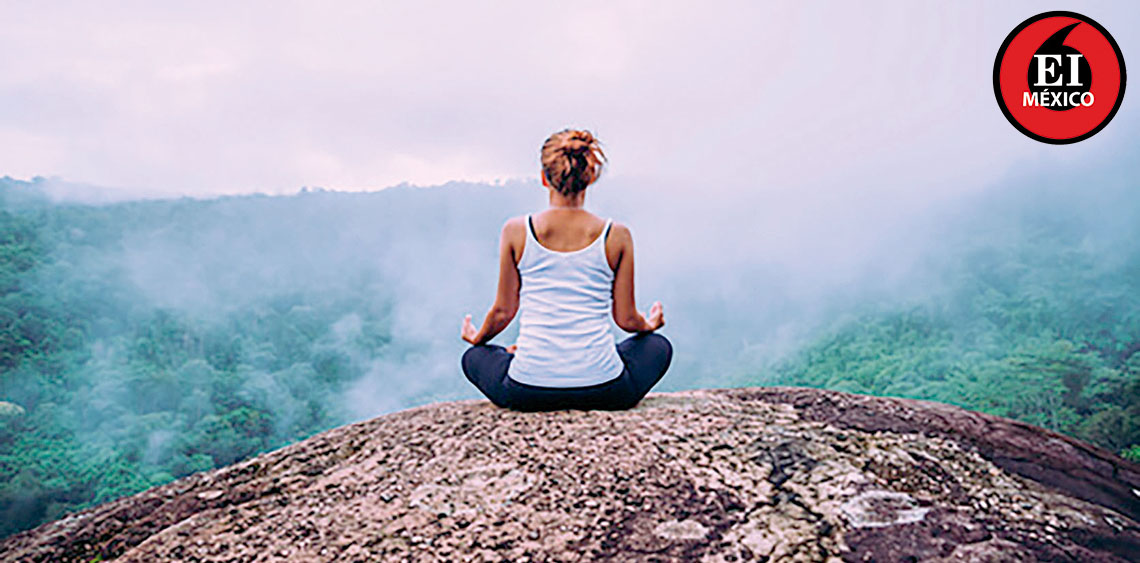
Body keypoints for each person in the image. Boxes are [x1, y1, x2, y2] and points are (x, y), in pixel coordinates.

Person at [460, 128, 672, 412]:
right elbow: (626, 319)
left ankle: (529, 359)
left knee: (475, 357)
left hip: (526, 392)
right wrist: (650, 324)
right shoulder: (616, 235)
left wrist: (477, 338)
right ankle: (587, 364)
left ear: (543, 177)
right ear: (591, 176)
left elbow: (502, 312)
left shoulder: (516, 231)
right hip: (607, 391)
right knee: (657, 345)